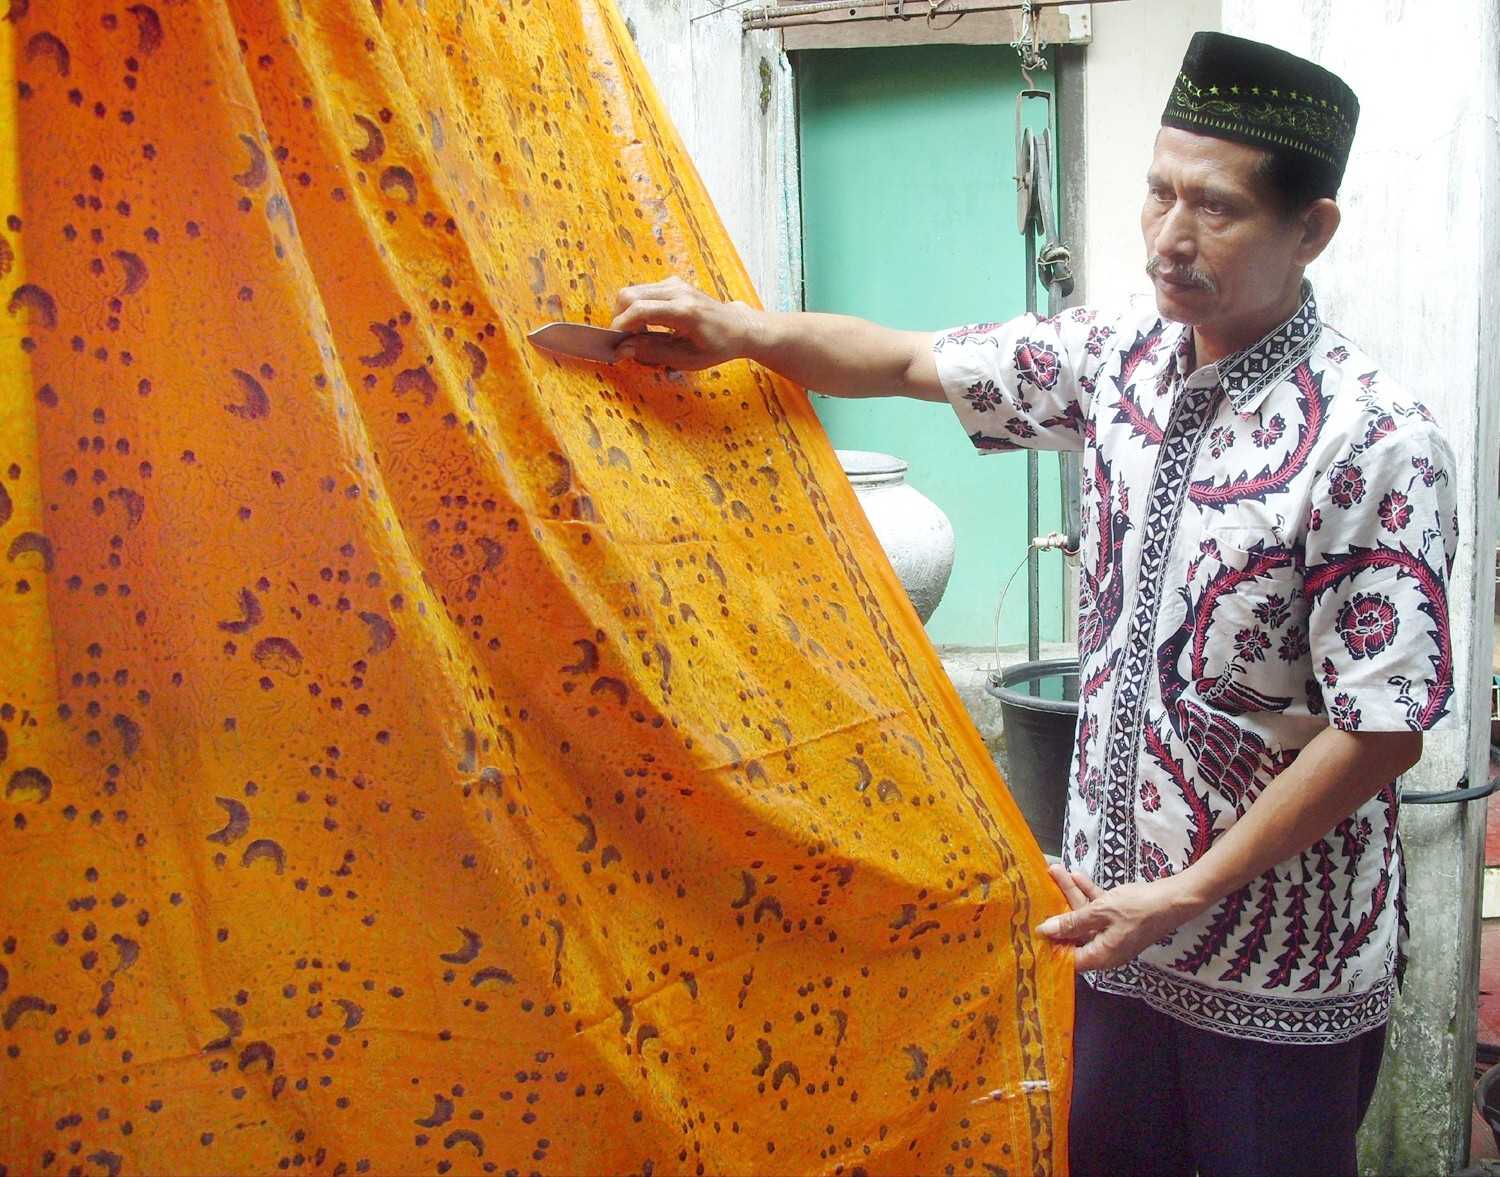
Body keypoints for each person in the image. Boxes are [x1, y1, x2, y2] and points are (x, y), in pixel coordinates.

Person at [609, 30, 1457, 1177]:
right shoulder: (1116, 354)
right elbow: (908, 361)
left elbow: (1382, 728)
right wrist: (738, 332)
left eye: (1215, 207)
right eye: (1158, 192)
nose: (1169, 236)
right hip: (1112, 931)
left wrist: (1188, 894)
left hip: (1278, 970)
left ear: (1311, 230)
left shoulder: (1374, 439)